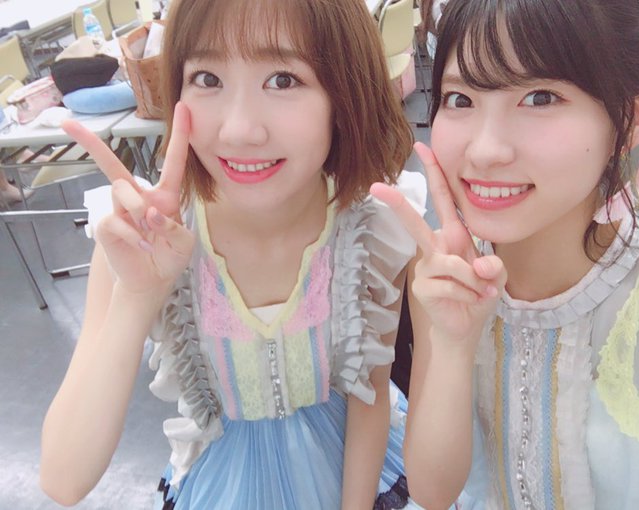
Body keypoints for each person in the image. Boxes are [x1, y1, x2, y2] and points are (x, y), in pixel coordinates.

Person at [39, 0, 426, 508]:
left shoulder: (373, 230)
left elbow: (368, 395)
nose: (240, 129)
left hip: (355, 475)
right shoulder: (140, 240)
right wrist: (137, 294)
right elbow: (63, 480)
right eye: (208, 78)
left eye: (283, 80)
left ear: (345, 93)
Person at [372, 0, 639, 508]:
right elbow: (432, 491)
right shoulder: (444, 276)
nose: (485, 150)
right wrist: (452, 344)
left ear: (635, 116)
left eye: (540, 97)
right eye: (461, 99)